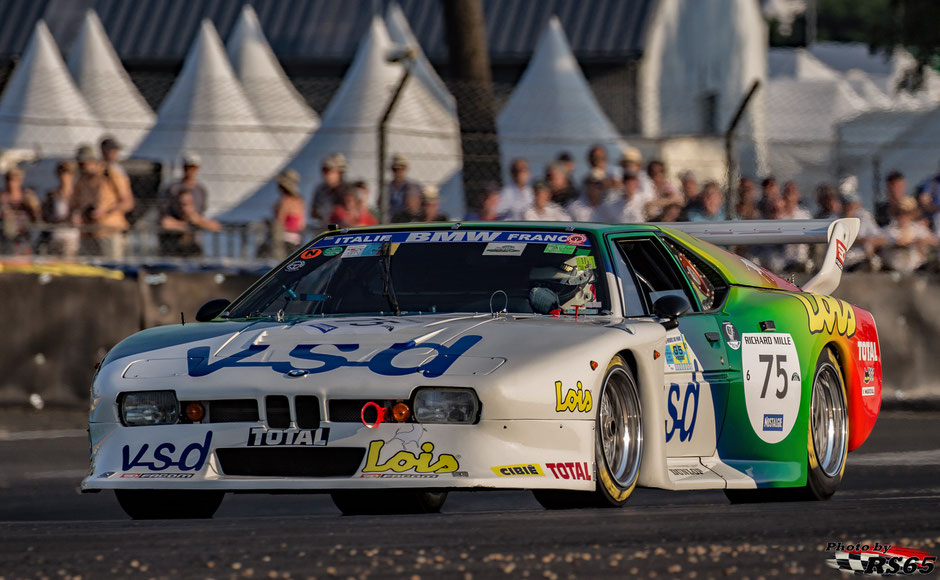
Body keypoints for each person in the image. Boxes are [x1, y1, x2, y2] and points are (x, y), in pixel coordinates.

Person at [72, 144, 130, 258]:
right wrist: (78, 214)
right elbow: (75, 203)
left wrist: (104, 211)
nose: (82, 166)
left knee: (111, 268)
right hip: (87, 231)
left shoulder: (110, 174)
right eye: (80, 163)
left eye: (85, 162)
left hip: (109, 230)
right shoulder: (80, 179)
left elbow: (127, 202)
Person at [881, 196, 937, 273]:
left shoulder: (919, 229)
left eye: (907, 213)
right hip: (892, 273)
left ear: (913, 214)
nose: (903, 216)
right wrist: (895, 244)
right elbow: (878, 242)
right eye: (900, 212)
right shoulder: (888, 230)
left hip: (917, 273)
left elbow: (934, 241)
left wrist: (919, 241)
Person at [159, 190, 221, 256]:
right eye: (181, 203)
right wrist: (186, 225)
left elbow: (216, 227)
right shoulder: (171, 216)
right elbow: (165, 223)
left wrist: (199, 222)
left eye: (187, 203)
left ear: (193, 205)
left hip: (192, 253)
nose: (183, 207)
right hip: (172, 254)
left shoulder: (195, 218)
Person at [38, 161, 80, 257]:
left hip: (72, 237)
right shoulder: (52, 195)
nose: (64, 177)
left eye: (67, 173)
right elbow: (44, 214)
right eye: (61, 173)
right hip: (55, 235)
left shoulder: (78, 194)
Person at [0, 166, 41, 254]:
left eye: (15, 180)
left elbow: (37, 218)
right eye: (9, 179)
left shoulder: (27, 196)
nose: (11, 183)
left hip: (24, 236)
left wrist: (32, 206)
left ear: (20, 180)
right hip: (4, 237)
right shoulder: (2, 197)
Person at [842, 192, 885, 271]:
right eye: (847, 204)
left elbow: (880, 238)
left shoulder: (864, 216)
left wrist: (869, 242)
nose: (850, 207)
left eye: (853, 204)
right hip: (844, 261)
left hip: (860, 259)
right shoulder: (836, 217)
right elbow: (840, 237)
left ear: (859, 204)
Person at [100, 135, 135, 222]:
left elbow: (127, 201)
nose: (116, 154)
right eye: (113, 150)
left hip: (112, 218)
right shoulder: (102, 169)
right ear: (104, 152)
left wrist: (106, 210)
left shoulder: (117, 170)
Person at [271, 169, 306, 256]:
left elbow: (279, 223)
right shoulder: (300, 201)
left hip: (285, 241)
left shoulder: (285, 201)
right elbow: (301, 225)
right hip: (297, 240)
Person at [310, 153, 347, 226]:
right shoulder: (320, 191)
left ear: (339, 172)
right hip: (326, 229)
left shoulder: (348, 191)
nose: (325, 174)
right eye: (324, 170)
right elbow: (313, 212)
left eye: (329, 170)